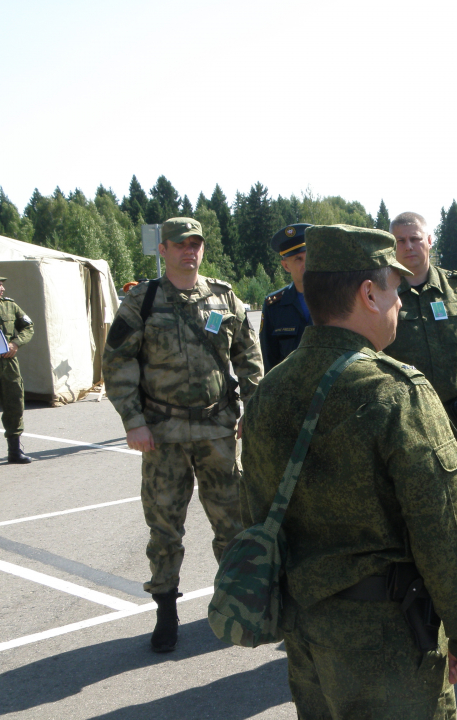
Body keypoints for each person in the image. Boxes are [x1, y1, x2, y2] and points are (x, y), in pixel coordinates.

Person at [240, 224, 457, 718]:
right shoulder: (397, 391)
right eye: (395, 289)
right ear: (369, 294)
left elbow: (256, 514)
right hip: (391, 646)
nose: (400, 301)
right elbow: (447, 530)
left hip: (307, 636)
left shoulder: (270, 391)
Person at [102, 216, 263, 653]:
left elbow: (248, 353)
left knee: (232, 523)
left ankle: (233, 604)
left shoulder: (224, 295)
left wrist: (254, 407)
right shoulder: (142, 299)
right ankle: (166, 611)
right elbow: (118, 362)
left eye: (196, 243)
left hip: (217, 428)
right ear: (164, 250)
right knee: (164, 528)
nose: (189, 251)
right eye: (180, 244)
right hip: (163, 433)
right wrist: (133, 420)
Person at [384, 211, 457, 479]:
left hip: (456, 421)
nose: (408, 246)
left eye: (415, 239)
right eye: (400, 241)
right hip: (402, 424)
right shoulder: (380, 291)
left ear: (429, 240)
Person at [260, 223, 312, 373]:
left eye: (309, 256)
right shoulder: (274, 306)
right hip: (291, 393)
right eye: (298, 259)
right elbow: (270, 360)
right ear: (286, 266)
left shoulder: (335, 298)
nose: (305, 264)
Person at [0, 276, 35, 464]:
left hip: (8, 364)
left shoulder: (10, 306)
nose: (2, 289)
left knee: (14, 403)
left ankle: (14, 451)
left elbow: (28, 326)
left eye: (2, 285)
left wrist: (16, 343)